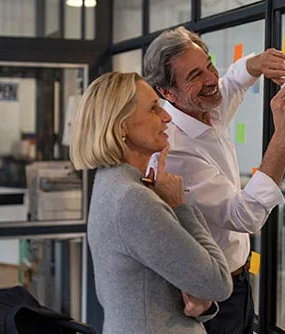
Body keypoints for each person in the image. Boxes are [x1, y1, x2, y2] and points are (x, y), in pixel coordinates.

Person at [144, 26, 285, 334]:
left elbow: (232, 81)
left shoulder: (206, 106)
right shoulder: (174, 149)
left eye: (209, 64)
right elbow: (246, 216)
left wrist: (257, 62)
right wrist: (283, 135)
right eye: (194, 75)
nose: (210, 79)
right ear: (167, 93)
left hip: (239, 282)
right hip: (211, 296)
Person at [69, 71, 233, 333]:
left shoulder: (114, 184)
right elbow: (218, 282)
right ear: (121, 126)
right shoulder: (133, 199)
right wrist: (180, 205)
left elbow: (180, 288)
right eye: (154, 108)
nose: (166, 116)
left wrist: (202, 302)